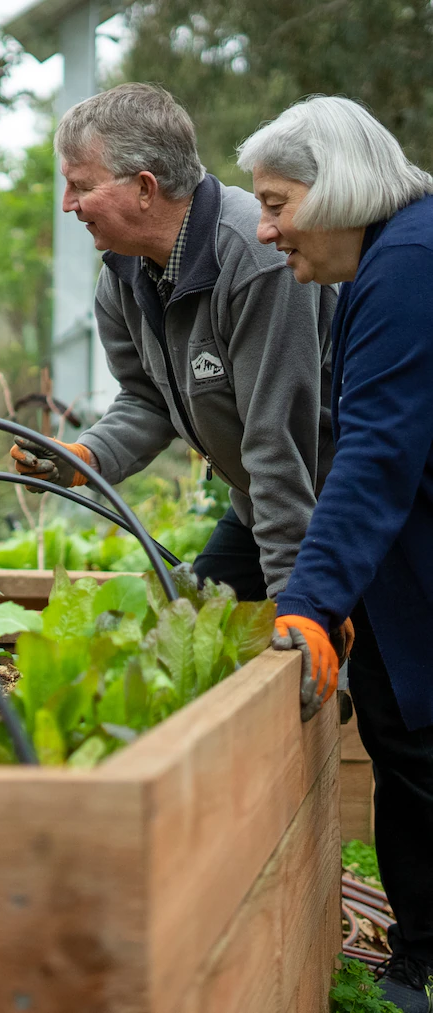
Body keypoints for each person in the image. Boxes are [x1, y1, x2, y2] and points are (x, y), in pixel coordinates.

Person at [237, 96, 433, 1012]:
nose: (267, 229)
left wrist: (311, 600)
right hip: (400, 581)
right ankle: (419, 955)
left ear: (342, 186)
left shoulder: (409, 266)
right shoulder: (374, 269)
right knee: (402, 758)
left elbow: (377, 451)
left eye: (278, 203)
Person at [11, 82, 336, 602]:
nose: (67, 204)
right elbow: (147, 399)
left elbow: (278, 444)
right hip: (265, 504)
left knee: (351, 671)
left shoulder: (256, 260)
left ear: (145, 187)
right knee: (191, 625)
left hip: (340, 509)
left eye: (80, 185)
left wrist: (297, 601)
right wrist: (85, 456)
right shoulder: (123, 274)